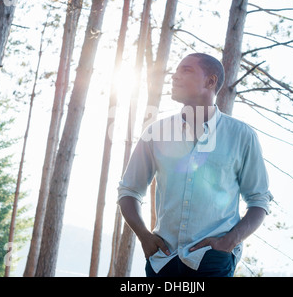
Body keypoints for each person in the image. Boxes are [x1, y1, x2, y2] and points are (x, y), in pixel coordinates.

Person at [117, 53, 273, 277]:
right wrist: (144, 237)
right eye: (177, 70)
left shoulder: (241, 136)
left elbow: (259, 200)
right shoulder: (156, 133)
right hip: (163, 261)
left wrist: (228, 242)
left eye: (186, 70)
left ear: (210, 82)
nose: (175, 76)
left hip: (212, 261)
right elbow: (129, 190)